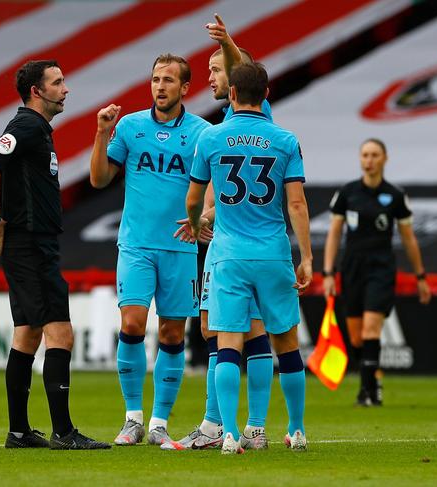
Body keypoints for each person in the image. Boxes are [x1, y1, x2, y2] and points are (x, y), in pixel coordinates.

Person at [0, 60, 110, 450]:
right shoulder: (26, 126)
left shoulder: (37, 131)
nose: (65, 88)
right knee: (60, 332)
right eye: (57, 82)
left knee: (28, 333)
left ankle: (18, 432)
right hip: (31, 243)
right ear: (37, 91)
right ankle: (63, 432)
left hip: (31, 243)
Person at [187, 62, 313, 454]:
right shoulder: (285, 140)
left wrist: (196, 222)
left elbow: (194, 198)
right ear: (267, 93)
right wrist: (306, 256)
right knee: (286, 344)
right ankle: (294, 430)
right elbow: (296, 203)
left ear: (232, 95)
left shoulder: (211, 138)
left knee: (227, 342)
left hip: (229, 254)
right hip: (273, 253)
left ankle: (227, 434)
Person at [164, 14, 274, 451]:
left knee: (222, 329)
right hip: (244, 241)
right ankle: (249, 427)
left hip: (234, 247)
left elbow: (237, 66)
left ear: (234, 81)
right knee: (241, 329)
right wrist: (206, 216)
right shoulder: (234, 126)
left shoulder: (251, 109)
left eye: (214, 70)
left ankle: (216, 425)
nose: (209, 76)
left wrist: (228, 43)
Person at [89, 54, 211, 446]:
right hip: (137, 244)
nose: (160, 86)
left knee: (173, 334)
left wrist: (203, 217)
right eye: (156, 79)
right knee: (132, 325)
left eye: (169, 80)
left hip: (180, 247)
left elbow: (212, 185)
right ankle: (132, 418)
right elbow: (98, 178)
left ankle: (159, 422)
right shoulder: (129, 126)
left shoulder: (201, 133)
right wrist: (101, 134)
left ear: (185, 88)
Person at [322, 138, 431, 406]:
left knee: (372, 327)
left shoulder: (394, 196)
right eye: (365, 155)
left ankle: (368, 392)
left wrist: (420, 277)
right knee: (357, 336)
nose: (369, 160)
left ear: (385, 159)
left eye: (374, 155)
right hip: (352, 268)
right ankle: (373, 378)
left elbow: (408, 239)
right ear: (360, 159)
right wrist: (327, 272)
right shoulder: (347, 193)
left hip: (381, 267)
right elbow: (335, 233)